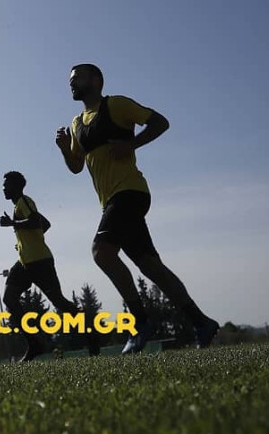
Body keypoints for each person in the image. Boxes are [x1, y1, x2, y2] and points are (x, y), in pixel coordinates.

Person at [54, 63, 221, 352]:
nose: (71, 83)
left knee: (101, 252)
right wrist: (64, 148)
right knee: (150, 266)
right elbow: (77, 166)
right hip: (111, 201)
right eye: (69, 80)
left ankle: (140, 321)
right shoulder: (76, 124)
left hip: (130, 192)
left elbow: (160, 122)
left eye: (76, 78)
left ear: (95, 80)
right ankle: (201, 322)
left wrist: (132, 143)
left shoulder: (117, 105)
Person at [0, 171, 77, 361]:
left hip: (40, 262)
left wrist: (12, 223)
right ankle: (34, 345)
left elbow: (35, 221)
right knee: (9, 298)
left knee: (59, 302)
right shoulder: (20, 205)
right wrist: (25, 240)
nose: (3, 188)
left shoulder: (24, 201)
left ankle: (91, 334)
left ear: (17, 187)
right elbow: (45, 224)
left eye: (7, 185)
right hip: (25, 262)